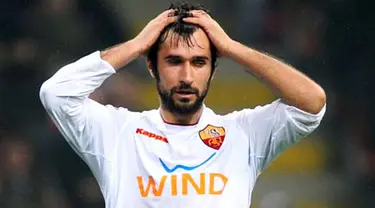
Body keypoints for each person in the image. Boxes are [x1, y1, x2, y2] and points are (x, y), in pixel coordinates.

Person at [39, 2, 326, 208]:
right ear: (152, 66)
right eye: (174, 61)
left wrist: (232, 48)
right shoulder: (118, 133)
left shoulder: (243, 134)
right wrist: (136, 45)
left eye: (199, 62)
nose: (187, 77)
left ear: (213, 70)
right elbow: (56, 94)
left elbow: (311, 104)